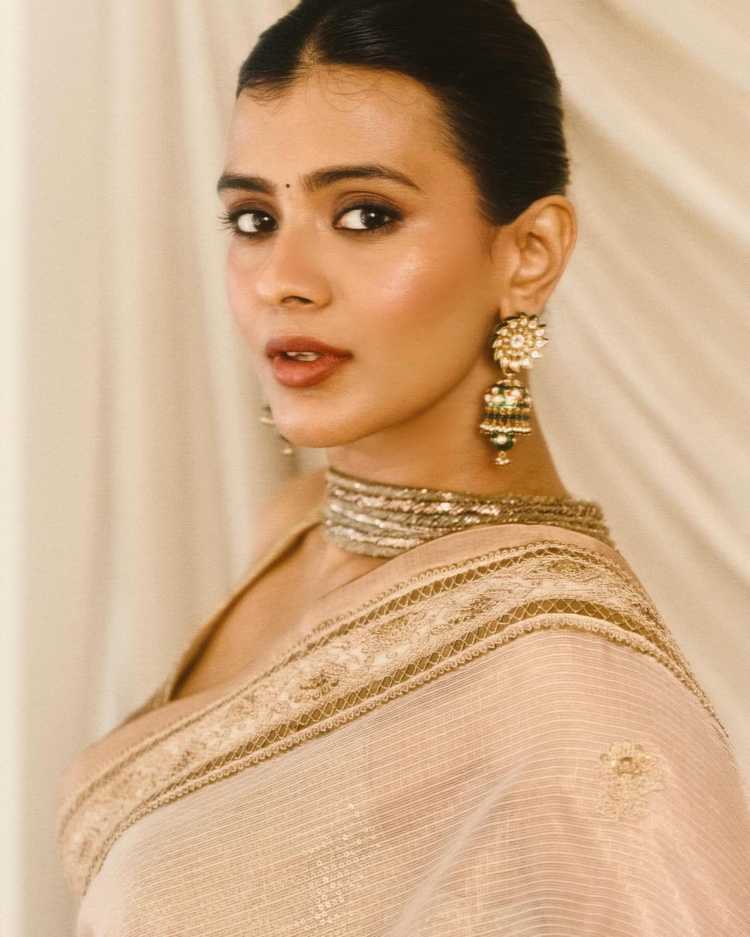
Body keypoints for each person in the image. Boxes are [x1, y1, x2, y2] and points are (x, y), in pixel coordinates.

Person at [56, 0, 750, 933]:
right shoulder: (300, 523)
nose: (282, 278)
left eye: (365, 214)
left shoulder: (559, 676)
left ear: (529, 254)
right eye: (255, 217)